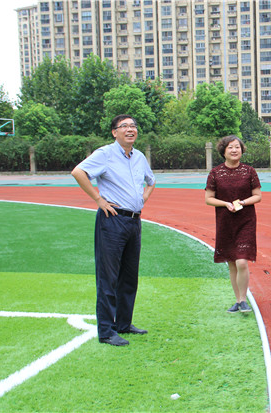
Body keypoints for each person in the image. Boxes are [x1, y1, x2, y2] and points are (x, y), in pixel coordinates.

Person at [71, 114, 155, 346]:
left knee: (129, 276)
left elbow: (151, 181)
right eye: (124, 126)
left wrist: (142, 199)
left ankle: (124, 324)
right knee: (108, 277)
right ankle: (107, 331)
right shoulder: (105, 154)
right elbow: (78, 172)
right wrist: (99, 199)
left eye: (133, 126)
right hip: (112, 220)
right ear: (114, 132)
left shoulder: (139, 157)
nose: (130, 129)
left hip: (134, 222)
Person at [205, 135, 262, 313]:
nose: (234, 150)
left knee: (242, 261)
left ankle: (244, 300)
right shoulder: (215, 173)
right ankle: (238, 301)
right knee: (232, 262)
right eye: (230, 147)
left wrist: (243, 202)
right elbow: (208, 199)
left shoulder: (249, 171)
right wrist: (225, 204)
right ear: (223, 151)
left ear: (242, 150)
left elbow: (258, 196)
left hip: (246, 220)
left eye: (237, 147)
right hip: (225, 221)